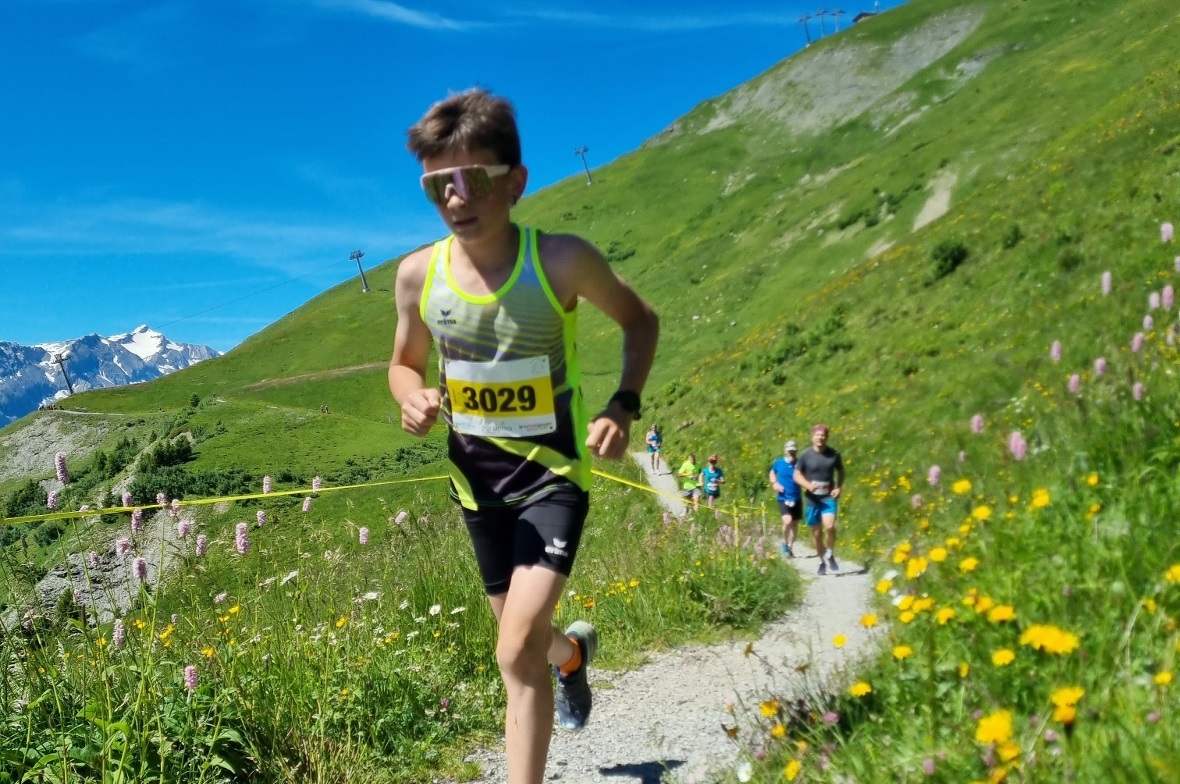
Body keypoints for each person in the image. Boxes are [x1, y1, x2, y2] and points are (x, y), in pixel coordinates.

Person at [387, 89, 659, 784]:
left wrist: (622, 405)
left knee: (512, 654)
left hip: (553, 481)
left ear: (516, 181)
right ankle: (573, 659)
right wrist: (411, 396)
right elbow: (403, 363)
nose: (455, 197)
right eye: (435, 185)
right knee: (532, 647)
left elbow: (640, 321)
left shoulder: (562, 260)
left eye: (473, 178)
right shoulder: (418, 274)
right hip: (475, 488)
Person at [794, 424, 845, 575]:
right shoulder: (805, 455)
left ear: (827, 437)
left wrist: (838, 487)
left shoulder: (834, 455)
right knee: (816, 533)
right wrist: (808, 485)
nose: (820, 438)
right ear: (812, 437)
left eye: (823, 435)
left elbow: (841, 472)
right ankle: (822, 561)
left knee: (829, 526)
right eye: (817, 435)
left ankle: (830, 553)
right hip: (812, 499)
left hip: (828, 497)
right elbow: (796, 475)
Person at [768, 440, 802, 557]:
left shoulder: (799, 464)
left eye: (793, 450)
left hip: (796, 497)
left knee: (794, 524)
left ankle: (790, 547)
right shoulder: (779, 462)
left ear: (796, 451)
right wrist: (774, 484)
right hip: (783, 497)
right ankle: (784, 543)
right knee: (787, 521)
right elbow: (772, 472)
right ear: (785, 451)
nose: (791, 452)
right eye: (789, 450)